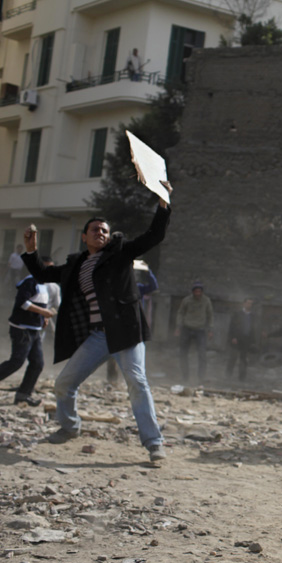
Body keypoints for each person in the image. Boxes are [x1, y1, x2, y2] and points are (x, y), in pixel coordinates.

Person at [21, 182, 171, 465]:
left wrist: (163, 203)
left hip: (126, 332)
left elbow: (153, 235)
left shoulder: (121, 253)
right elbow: (42, 274)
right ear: (84, 237)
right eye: (95, 230)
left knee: (137, 383)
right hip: (98, 337)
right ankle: (69, 426)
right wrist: (31, 251)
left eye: (104, 230)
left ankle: (154, 443)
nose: (100, 233)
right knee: (64, 383)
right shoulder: (76, 266)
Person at [0, 272, 55, 407]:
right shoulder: (29, 282)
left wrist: (43, 317)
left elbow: (41, 305)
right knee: (17, 361)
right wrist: (42, 313)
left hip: (34, 330)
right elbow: (23, 303)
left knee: (37, 363)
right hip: (22, 328)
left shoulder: (45, 285)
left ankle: (23, 395)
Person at [175, 281, 214, 385]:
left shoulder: (206, 301)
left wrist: (210, 329)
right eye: (195, 291)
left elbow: (210, 315)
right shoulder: (186, 300)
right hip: (187, 328)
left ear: (202, 292)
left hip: (200, 329)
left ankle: (201, 377)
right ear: (193, 292)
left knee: (202, 354)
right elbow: (180, 313)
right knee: (183, 353)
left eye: (199, 291)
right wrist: (179, 326)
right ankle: (185, 377)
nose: (197, 293)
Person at [226, 298, 258, 383]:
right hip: (236, 339)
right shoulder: (238, 314)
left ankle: (242, 378)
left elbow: (254, 329)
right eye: (248, 303)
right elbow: (232, 327)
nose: (249, 305)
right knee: (233, 357)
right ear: (244, 304)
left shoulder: (253, 316)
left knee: (243, 359)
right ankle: (228, 375)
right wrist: (232, 337)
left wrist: (253, 341)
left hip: (246, 339)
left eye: (251, 304)